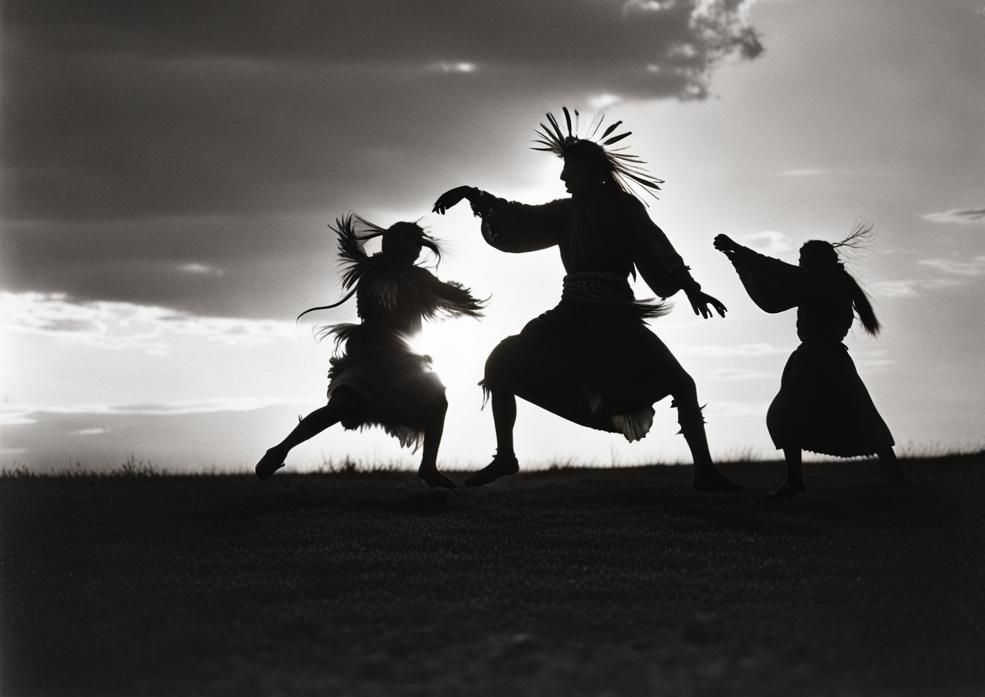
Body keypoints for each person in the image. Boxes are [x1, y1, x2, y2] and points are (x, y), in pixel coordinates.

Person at [433, 108, 742, 492]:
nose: (563, 177)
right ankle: (506, 456)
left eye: (569, 169)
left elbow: (655, 245)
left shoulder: (624, 208)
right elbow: (520, 217)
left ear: (589, 170)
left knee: (681, 383)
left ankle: (705, 472)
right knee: (501, 361)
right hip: (573, 314)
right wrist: (473, 194)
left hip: (615, 317)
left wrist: (690, 287)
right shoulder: (566, 212)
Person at [255, 214, 486, 489]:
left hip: (382, 355)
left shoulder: (377, 271)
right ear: (403, 247)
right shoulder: (405, 276)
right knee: (429, 402)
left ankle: (281, 448)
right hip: (379, 356)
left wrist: (451, 295)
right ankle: (281, 449)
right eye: (416, 246)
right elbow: (429, 294)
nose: (419, 251)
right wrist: (461, 296)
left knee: (350, 407)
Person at [713, 227, 905, 496]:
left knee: (790, 416)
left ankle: (796, 482)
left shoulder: (821, 280)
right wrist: (740, 261)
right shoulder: (826, 281)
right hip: (829, 359)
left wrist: (740, 252)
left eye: (803, 259)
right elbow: (774, 296)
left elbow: (778, 275)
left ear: (815, 260)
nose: (800, 264)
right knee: (858, 416)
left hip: (818, 360)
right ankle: (894, 477)